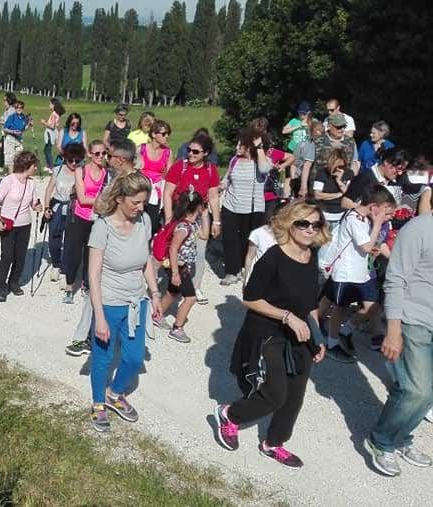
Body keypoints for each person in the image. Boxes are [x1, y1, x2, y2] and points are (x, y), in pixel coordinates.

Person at [213, 200, 328, 469]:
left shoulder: (311, 257)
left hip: (299, 333)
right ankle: (230, 414)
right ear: (290, 223)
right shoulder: (273, 257)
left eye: (316, 225)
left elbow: (311, 303)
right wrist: (287, 317)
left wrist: (318, 338)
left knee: (295, 394)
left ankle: (274, 442)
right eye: (303, 223)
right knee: (275, 393)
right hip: (268, 331)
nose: (310, 230)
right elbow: (250, 299)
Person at [87, 172, 161, 430]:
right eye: (136, 203)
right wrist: (99, 317)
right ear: (119, 199)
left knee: (133, 358)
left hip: (135, 302)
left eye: (144, 202)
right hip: (107, 302)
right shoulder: (102, 227)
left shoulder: (145, 221)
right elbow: (93, 275)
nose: (141, 208)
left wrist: (155, 294)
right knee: (103, 358)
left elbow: (146, 261)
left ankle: (115, 393)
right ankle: (98, 402)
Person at [365, 213, 433, 477]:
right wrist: (393, 329)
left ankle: (401, 437)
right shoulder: (419, 228)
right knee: (416, 390)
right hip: (414, 318)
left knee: (426, 391)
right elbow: (395, 278)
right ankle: (381, 441)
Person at [64, 141, 138, 357]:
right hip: (115, 239)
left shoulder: (125, 182)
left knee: (101, 290)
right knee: (101, 291)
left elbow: (104, 206)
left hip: (116, 242)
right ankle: (92, 336)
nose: (106, 158)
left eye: (109, 154)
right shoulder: (125, 178)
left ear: (120, 160)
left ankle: (93, 338)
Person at [319, 185, 396, 363]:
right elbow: (366, 246)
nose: (388, 218)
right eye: (386, 213)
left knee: (373, 305)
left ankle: (346, 331)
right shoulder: (353, 218)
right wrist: (377, 224)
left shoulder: (364, 218)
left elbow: (367, 246)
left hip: (362, 273)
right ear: (374, 208)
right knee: (340, 307)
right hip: (346, 273)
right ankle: (332, 343)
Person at [163, 133, 221, 304]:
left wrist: (216, 220)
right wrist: (168, 218)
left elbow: (213, 196)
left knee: (200, 251)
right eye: (189, 150)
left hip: (199, 215)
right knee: (172, 248)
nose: (191, 154)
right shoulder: (179, 166)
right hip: (178, 214)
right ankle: (170, 282)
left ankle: (195, 287)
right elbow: (167, 193)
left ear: (206, 153)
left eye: (196, 152)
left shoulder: (211, 170)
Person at [220, 128, 271, 285]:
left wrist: (259, 147)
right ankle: (231, 271)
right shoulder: (234, 160)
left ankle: (245, 268)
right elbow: (227, 179)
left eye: (240, 144)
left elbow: (265, 169)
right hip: (231, 204)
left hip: (252, 208)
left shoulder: (261, 162)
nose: (236, 147)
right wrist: (219, 186)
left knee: (247, 239)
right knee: (230, 238)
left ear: (249, 146)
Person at [62, 140, 109, 304]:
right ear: (89, 154)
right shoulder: (81, 171)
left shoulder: (106, 172)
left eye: (104, 153)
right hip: (79, 217)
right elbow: (82, 198)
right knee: (74, 255)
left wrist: (102, 202)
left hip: (97, 218)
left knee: (92, 255)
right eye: (97, 153)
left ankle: (86, 284)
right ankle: (69, 287)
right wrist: (101, 201)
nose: (101, 156)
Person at [158, 190, 208, 343]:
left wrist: (205, 217)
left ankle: (156, 314)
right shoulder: (184, 227)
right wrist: (175, 273)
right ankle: (177, 328)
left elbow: (205, 235)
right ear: (197, 207)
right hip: (179, 267)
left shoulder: (193, 224)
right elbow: (173, 248)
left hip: (181, 266)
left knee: (172, 292)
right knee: (190, 298)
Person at [0, 151, 42, 302]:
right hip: (7, 224)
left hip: (25, 224)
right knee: (7, 256)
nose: (36, 168)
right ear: (27, 166)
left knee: (20, 257)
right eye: (34, 166)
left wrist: (37, 207)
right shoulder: (9, 181)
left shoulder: (32, 183)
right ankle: (1, 287)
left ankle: (13, 282)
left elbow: (33, 203)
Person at [42, 143, 85, 283]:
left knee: (70, 241)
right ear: (65, 158)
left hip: (73, 209)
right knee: (54, 238)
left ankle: (65, 269)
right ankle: (56, 263)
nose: (73, 163)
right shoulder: (58, 170)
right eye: (70, 160)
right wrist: (46, 207)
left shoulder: (82, 172)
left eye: (77, 160)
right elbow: (49, 189)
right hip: (57, 207)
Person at [137, 119, 174, 234]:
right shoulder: (141, 149)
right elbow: (134, 170)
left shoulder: (168, 152)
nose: (166, 136)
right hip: (140, 189)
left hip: (157, 193)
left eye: (168, 134)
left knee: (152, 224)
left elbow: (170, 176)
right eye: (163, 134)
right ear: (153, 134)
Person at [313, 149, 354, 232]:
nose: (338, 169)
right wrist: (338, 195)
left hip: (342, 215)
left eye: (341, 167)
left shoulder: (349, 173)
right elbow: (317, 195)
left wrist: (339, 181)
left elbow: (349, 194)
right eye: (336, 167)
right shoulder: (322, 173)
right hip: (325, 215)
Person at [314, 113, 358, 177]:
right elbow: (308, 164)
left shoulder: (351, 142)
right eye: (339, 127)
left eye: (344, 126)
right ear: (329, 126)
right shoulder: (316, 141)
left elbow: (354, 163)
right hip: (319, 183)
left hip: (342, 183)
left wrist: (351, 178)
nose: (342, 129)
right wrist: (304, 185)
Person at [291, 119, 320, 199]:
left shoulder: (300, 144)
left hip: (302, 179)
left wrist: (294, 181)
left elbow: (293, 164)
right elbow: (304, 166)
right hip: (306, 181)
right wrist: (302, 187)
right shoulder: (307, 145)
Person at [1, 100, 29, 170]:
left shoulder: (23, 117)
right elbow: (5, 128)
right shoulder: (12, 117)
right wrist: (13, 132)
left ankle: (16, 174)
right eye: (17, 107)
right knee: (10, 161)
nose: (19, 109)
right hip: (11, 139)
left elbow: (23, 128)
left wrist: (29, 124)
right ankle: (11, 177)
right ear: (15, 108)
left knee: (19, 159)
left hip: (19, 140)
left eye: (21, 107)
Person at [40, 98, 64, 170]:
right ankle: (49, 165)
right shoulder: (57, 113)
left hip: (50, 133)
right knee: (46, 149)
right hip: (53, 133)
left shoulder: (53, 114)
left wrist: (44, 122)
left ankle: (51, 167)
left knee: (48, 150)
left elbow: (52, 126)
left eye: (50, 104)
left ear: (54, 105)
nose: (49, 105)